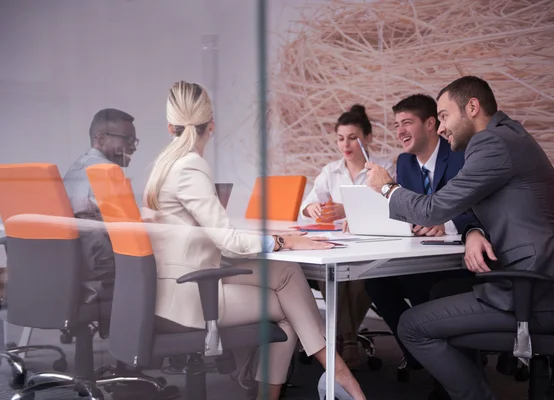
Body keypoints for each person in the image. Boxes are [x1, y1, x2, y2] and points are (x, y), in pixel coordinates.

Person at [143, 81, 366, 400]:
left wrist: (281, 240)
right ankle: (341, 377)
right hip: (191, 295)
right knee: (290, 312)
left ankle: (332, 374)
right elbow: (228, 241)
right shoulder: (190, 166)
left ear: (170, 126)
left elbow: (216, 236)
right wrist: (283, 242)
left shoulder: (164, 165)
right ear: (212, 125)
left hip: (179, 281)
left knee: (288, 275)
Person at [365, 76, 554, 400]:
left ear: (472, 107)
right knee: (440, 289)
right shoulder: (510, 137)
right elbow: (498, 207)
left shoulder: (491, 143)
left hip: (539, 295)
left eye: (444, 116)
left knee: (411, 325)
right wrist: (475, 231)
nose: (440, 128)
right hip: (550, 283)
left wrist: (387, 187)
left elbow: (433, 209)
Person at [363, 94, 476, 385]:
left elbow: (481, 207)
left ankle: (448, 366)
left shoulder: (461, 155)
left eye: (406, 123)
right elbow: (406, 210)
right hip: (422, 257)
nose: (399, 131)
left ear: (430, 123)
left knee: (429, 286)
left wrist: (447, 223)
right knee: (375, 280)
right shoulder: (406, 164)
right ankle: (415, 351)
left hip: (459, 260)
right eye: (396, 124)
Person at [300, 104, 395, 369]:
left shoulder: (383, 168)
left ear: (368, 138)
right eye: (341, 138)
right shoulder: (331, 170)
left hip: (370, 243)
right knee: (328, 274)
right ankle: (350, 338)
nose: (346, 144)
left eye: (353, 137)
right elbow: (307, 206)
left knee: (360, 279)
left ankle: (343, 337)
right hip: (337, 244)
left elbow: (390, 207)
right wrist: (313, 208)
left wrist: (348, 211)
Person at [63, 108, 139, 303]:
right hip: (104, 273)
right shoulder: (105, 171)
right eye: (127, 139)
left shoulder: (76, 168)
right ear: (101, 138)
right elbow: (129, 230)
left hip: (75, 270)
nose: (133, 147)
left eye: (134, 141)